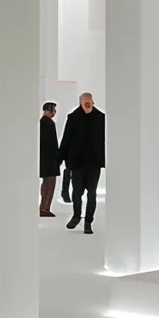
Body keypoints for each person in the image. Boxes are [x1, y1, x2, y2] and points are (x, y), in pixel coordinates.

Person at [58, 92, 106, 234]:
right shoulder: (73, 118)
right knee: (77, 192)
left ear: (93, 102)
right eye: (84, 102)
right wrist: (59, 159)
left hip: (94, 162)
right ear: (80, 102)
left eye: (89, 102)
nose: (87, 105)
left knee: (92, 193)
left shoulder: (101, 118)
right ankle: (77, 215)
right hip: (77, 162)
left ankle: (88, 221)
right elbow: (66, 139)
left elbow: (107, 139)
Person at [39, 102, 60, 217]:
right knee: (50, 184)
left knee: (46, 183)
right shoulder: (48, 123)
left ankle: (43, 207)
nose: (54, 113)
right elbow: (51, 143)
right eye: (53, 110)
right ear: (49, 110)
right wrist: (57, 156)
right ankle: (45, 208)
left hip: (45, 159)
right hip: (50, 159)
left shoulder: (42, 123)